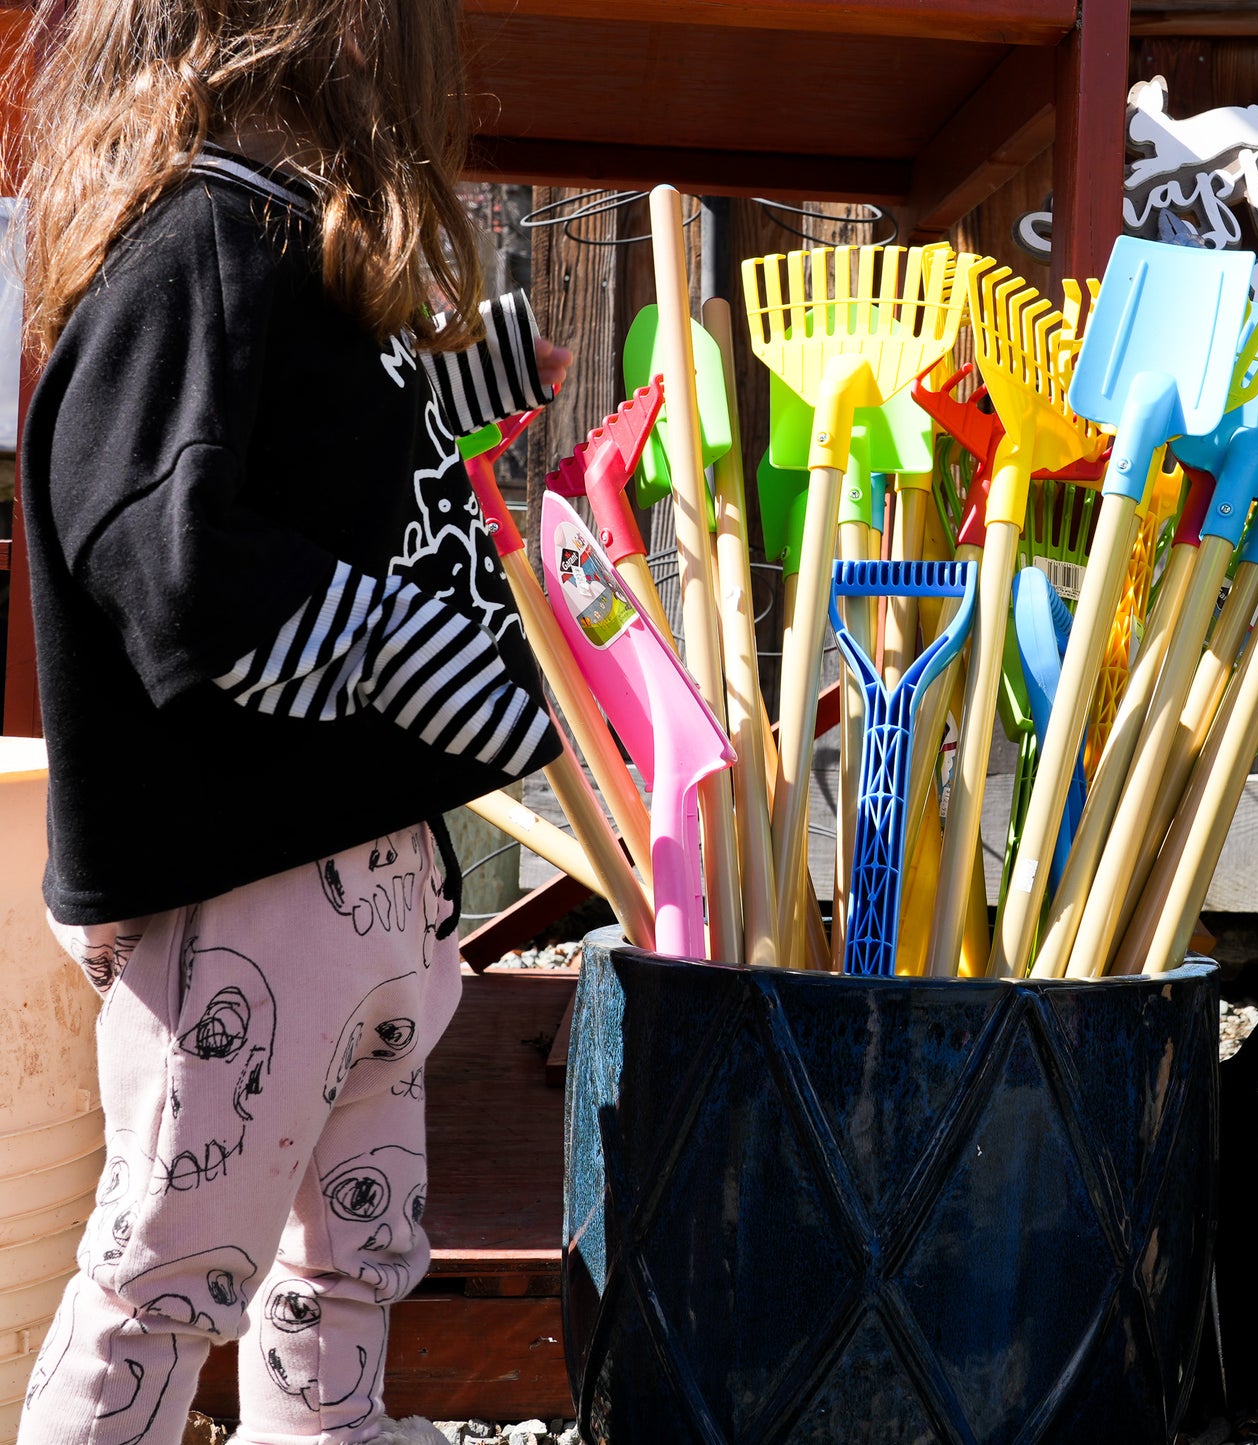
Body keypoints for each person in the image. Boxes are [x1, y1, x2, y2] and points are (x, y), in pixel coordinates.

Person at [11, 3, 572, 1442]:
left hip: (361, 877)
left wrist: (469, 389)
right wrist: (409, 651)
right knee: (169, 1269)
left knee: (351, 1256)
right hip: (241, 905)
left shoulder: (285, 254)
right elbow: (167, 544)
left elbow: (327, 464)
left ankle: (326, 1430)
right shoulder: (199, 244)